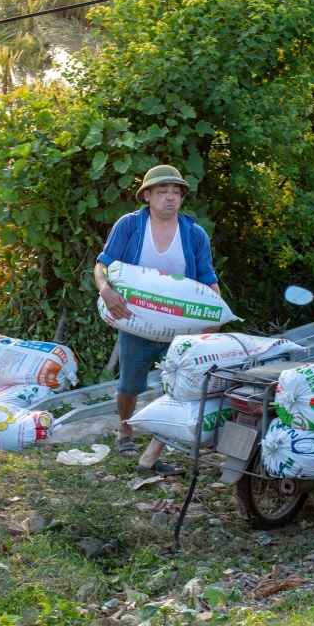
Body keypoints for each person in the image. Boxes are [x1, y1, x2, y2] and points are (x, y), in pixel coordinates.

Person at [94, 165, 222, 476]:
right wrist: (106, 291)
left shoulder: (193, 234)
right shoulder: (130, 226)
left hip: (179, 326)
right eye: (163, 191)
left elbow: (207, 279)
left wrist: (217, 314)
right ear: (148, 196)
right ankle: (125, 430)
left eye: (176, 192)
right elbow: (103, 264)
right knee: (129, 385)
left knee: (179, 388)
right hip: (136, 321)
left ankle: (153, 452)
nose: (170, 197)